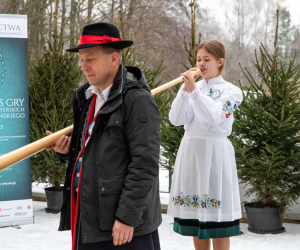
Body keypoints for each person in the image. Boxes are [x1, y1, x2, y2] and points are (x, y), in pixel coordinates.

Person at [46, 22, 161, 250]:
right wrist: (69, 151)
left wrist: (127, 217)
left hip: (124, 228)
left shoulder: (137, 100)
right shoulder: (88, 98)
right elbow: (99, 153)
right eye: (82, 60)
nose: (83, 67)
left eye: (91, 59)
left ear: (114, 59)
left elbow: (145, 164)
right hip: (90, 219)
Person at [167, 40, 243, 250]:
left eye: (206, 59)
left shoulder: (233, 92)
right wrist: (184, 91)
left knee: (216, 219)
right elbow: (176, 119)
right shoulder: (194, 87)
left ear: (220, 62)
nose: (201, 63)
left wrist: (195, 92)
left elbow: (215, 116)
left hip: (215, 154)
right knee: (197, 219)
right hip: (192, 153)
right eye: (198, 59)